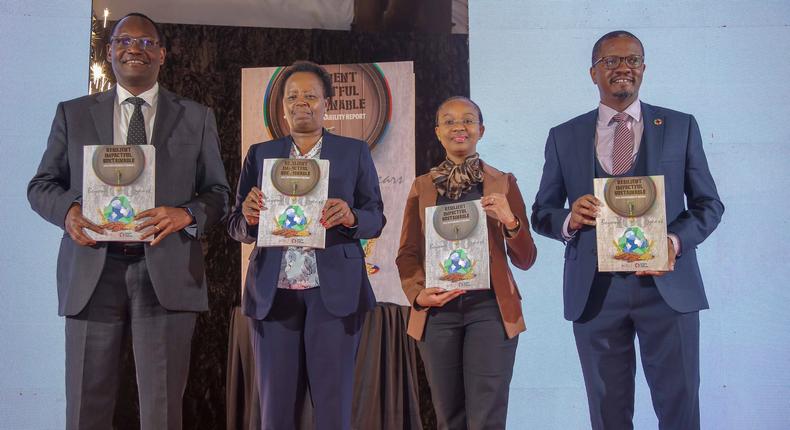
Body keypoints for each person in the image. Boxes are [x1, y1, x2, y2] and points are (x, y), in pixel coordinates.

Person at [27, 12, 230, 430]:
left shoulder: (197, 116)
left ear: (162, 55)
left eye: (145, 42)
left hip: (166, 271)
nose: (134, 49)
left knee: (162, 408)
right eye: (123, 42)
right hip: (92, 271)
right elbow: (41, 185)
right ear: (110, 52)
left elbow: (219, 194)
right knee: (86, 405)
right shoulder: (74, 113)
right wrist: (67, 211)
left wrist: (187, 214)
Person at [532, 31, 724, 429]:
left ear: (643, 68)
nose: (623, 68)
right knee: (607, 415)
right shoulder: (563, 135)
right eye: (611, 61)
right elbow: (542, 211)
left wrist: (673, 241)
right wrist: (569, 218)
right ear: (593, 72)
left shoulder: (680, 126)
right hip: (596, 292)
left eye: (633, 60)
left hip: (668, 289)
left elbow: (709, 205)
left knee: (680, 408)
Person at [227, 61, 385, 429]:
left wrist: (351, 216)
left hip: (334, 294)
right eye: (293, 96)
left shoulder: (353, 151)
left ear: (327, 103)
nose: (302, 103)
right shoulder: (260, 154)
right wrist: (249, 217)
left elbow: (376, 216)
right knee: (276, 412)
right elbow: (235, 226)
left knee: (332, 409)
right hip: (273, 293)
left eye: (311, 96)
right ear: (282, 106)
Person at [396, 96, 537, 429]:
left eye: (468, 120)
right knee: (449, 417)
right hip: (438, 313)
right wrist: (417, 294)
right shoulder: (422, 187)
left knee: (486, 417)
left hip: (490, 310)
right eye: (449, 121)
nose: (459, 126)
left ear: (481, 130)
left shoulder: (503, 183)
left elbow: (527, 258)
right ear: (437, 132)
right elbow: (407, 254)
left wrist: (510, 221)